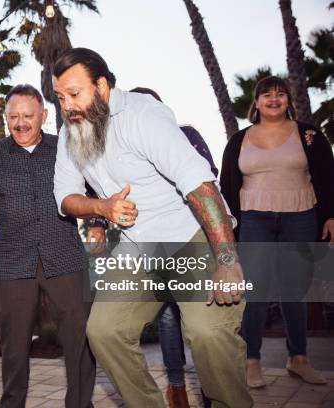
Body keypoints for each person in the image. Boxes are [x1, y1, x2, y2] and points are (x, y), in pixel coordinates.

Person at [52, 48, 252, 408]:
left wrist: (226, 258)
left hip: (189, 236)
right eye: (60, 97)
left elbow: (198, 184)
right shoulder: (71, 133)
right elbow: (65, 197)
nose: (67, 106)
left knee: (208, 333)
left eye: (74, 93)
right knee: (104, 331)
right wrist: (103, 207)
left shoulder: (144, 115)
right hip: (136, 246)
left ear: (101, 85)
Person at [0, 84, 96, 408]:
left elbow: (95, 189)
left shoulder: (66, 149)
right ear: (5, 118)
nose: (20, 123)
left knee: (80, 342)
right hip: (12, 262)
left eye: (27, 116)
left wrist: (100, 224)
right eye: (13, 117)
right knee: (15, 349)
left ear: (44, 116)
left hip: (65, 256)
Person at [220, 75, 334, 388]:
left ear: (288, 100)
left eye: (280, 94)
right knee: (255, 291)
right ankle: (251, 360)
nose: (274, 99)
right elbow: (228, 187)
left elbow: (327, 175)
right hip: (254, 220)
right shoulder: (238, 140)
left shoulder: (308, 135)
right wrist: (228, 227)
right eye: (266, 94)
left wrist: (331, 216)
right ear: (255, 102)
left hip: (301, 217)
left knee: (294, 291)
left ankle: (298, 359)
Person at [131, 86, 219, 408]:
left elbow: (209, 175)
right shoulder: (126, 148)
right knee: (168, 317)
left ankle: (212, 389)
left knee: (202, 319)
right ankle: (177, 387)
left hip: (193, 235)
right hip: (154, 242)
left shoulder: (186, 134)